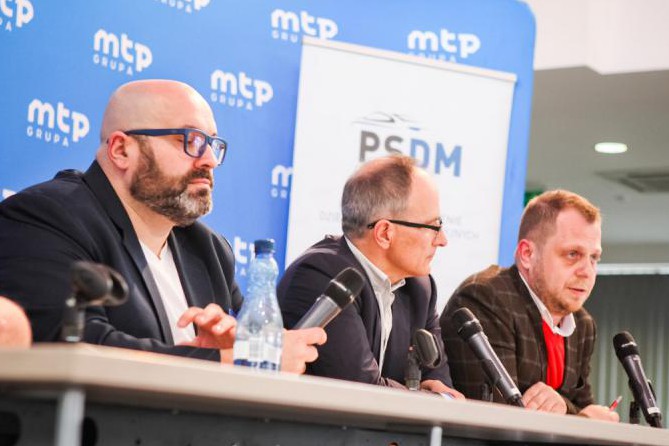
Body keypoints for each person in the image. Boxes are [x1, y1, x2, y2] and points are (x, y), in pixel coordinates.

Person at [0, 79, 324, 372]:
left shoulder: (210, 250)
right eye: (191, 140)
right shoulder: (48, 215)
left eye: (213, 144)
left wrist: (223, 348)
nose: (209, 159)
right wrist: (236, 362)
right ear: (121, 150)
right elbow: (75, 345)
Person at [278, 155, 463, 397]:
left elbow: (442, 386)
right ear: (385, 233)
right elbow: (359, 391)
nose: (442, 240)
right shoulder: (321, 276)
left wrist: (431, 396)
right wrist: (426, 397)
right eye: (433, 226)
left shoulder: (421, 289)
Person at [440, 190, 618, 420]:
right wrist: (579, 418)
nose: (587, 272)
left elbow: (582, 404)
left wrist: (566, 408)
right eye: (572, 254)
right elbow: (499, 414)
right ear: (527, 254)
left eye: (594, 258)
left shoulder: (582, 324)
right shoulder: (485, 299)